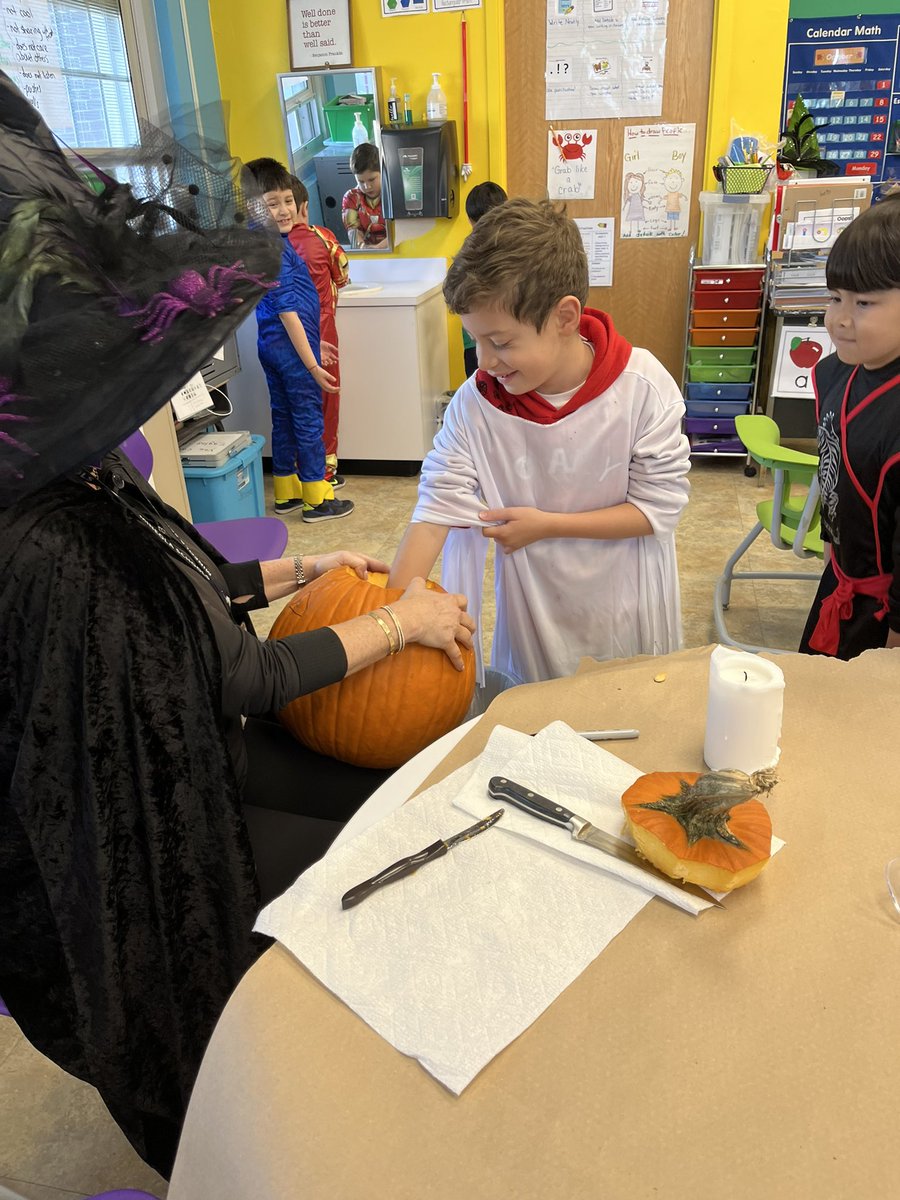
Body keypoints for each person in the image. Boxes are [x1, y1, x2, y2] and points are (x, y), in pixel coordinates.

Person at [0, 73, 475, 1178]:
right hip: (136, 859)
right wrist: (399, 624)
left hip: (202, 756)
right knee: (378, 853)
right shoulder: (55, 552)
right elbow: (243, 682)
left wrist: (305, 559)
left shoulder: (80, 486)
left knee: (389, 798)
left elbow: (181, 589)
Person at [389, 198, 690, 685]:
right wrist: (390, 621)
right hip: (533, 614)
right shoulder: (476, 404)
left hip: (622, 606)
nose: (484, 361)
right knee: (535, 721)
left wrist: (547, 525)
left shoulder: (642, 388)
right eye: (475, 341)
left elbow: (657, 511)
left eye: (502, 342)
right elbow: (434, 510)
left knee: (620, 718)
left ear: (566, 317)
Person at [799, 196, 900, 659]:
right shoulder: (836, 373)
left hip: (886, 618)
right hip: (839, 582)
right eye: (835, 298)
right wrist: (830, 551)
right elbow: (831, 469)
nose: (839, 319)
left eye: (863, 303)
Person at [245, 156, 352, 521]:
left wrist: (312, 342)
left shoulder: (265, 244)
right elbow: (288, 311)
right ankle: (317, 499)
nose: (284, 210)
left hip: (272, 346)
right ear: (252, 208)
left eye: (287, 200)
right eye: (271, 204)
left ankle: (287, 491)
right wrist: (310, 362)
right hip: (292, 351)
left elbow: (281, 312)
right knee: (308, 418)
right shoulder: (277, 250)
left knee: (284, 416)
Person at [288, 172, 350, 488]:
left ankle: (294, 476)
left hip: (284, 336)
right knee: (326, 400)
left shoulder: (273, 246)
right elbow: (342, 276)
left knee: (294, 403)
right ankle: (323, 473)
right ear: (305, 205)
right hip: (322, 331)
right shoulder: (323, 238)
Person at [462, 181, 508, 376]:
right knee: (479, 379)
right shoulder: (469, 250)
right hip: (474, 339)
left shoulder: (515, 247)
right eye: (478, 225)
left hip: (503, 334)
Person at [341, 142, 387, 249]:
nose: (367, 186)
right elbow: (353, 231)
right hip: (366, 251)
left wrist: (378, 248)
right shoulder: (351, 198)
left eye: (372, 179)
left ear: (383, 172)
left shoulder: (393, 193)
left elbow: (400, 230)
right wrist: (362, 247)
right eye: (361, 181)